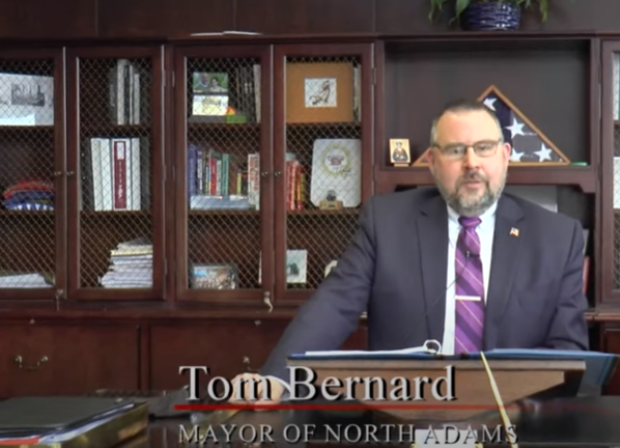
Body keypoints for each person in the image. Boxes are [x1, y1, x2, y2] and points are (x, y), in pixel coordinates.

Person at [229, 99, 590, 404]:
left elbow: (567, 350)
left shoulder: (557, 237)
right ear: (431, 161)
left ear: (505, 156)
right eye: (454, 150)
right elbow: (334, 305)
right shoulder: (386, 221)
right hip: (406, 413)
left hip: (512, 416)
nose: (471, 163)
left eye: (484, 148)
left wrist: (526, 407)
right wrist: (278, 378)